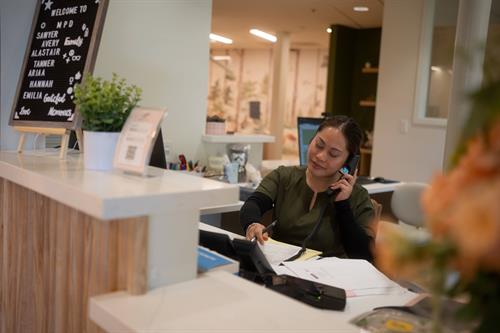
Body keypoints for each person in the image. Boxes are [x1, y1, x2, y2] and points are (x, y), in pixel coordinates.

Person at [240, 115, 375, 261]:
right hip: (279, 270)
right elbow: (253, 203)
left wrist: (342, 205)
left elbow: (364, 254)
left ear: (348, 162)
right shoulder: (284, 176)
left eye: (333, 154)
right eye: (319, 144)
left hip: (326, 278)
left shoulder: (358, 196)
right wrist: (252, 225)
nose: (320, 156)